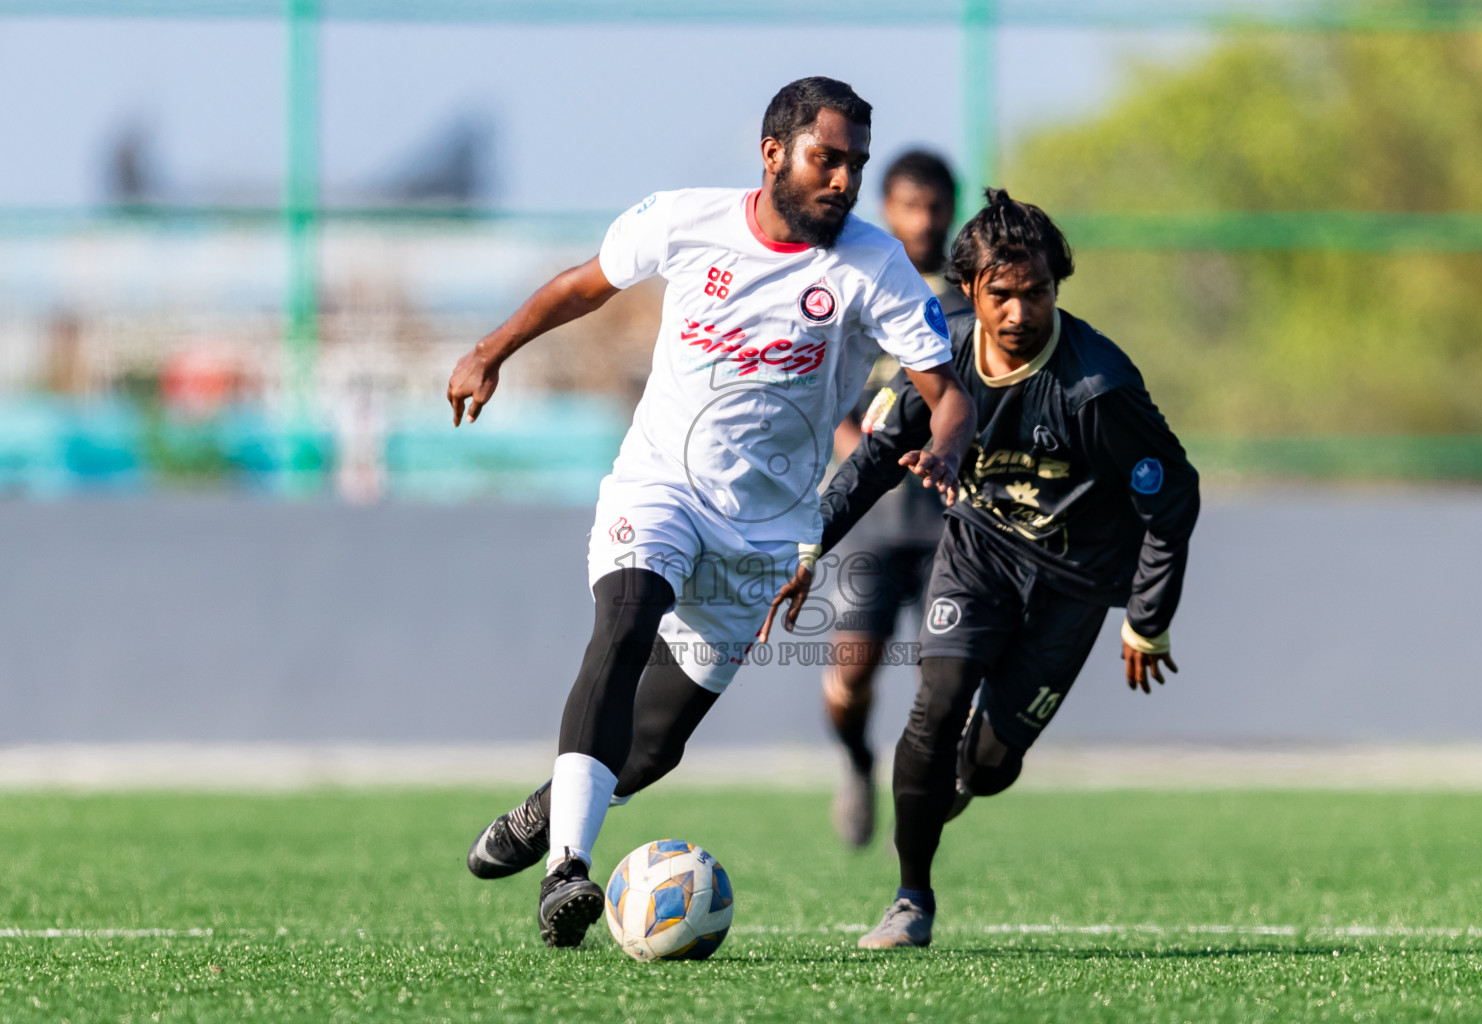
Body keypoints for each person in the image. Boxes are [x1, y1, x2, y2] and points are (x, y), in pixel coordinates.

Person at [445, 77, 977, 949]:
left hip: (764, 533)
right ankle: (566, 871)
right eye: (826, 159)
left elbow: (943, 392)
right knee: (622, 626)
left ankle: (548, 809)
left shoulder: (872, 266)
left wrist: (947, 444)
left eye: (855, 165)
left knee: (652, 746)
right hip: (659, 488)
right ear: (773, 154)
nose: (843, 180)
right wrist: (490, 349)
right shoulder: (684, 221)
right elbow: (586, 286)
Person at [761, 189, 1200, 949]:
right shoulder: (941, 354)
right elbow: (871, 461)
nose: (1020, 312)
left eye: (1037, 293)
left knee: (991, 766)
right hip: (979, 551)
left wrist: (1147, 619)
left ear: (1056, 289)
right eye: (1002, 293)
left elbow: (1175, 495)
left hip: (1075, 581)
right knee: (934, 706)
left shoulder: (1096, 389)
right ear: (970, 290)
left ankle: (958, 778)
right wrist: (809, 550)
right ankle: (911, 899)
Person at [823, 150, 970, 847]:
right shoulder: (863, 284)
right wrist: (875, 458)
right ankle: (856, 761)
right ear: (887, 208)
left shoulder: (970, 296)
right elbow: (833, 402)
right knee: (850, 679)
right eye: (910, 206)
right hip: (874, 527)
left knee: (945, 680)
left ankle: (934, 790)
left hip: (952, 522)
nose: (924, 219)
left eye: (935, 206)